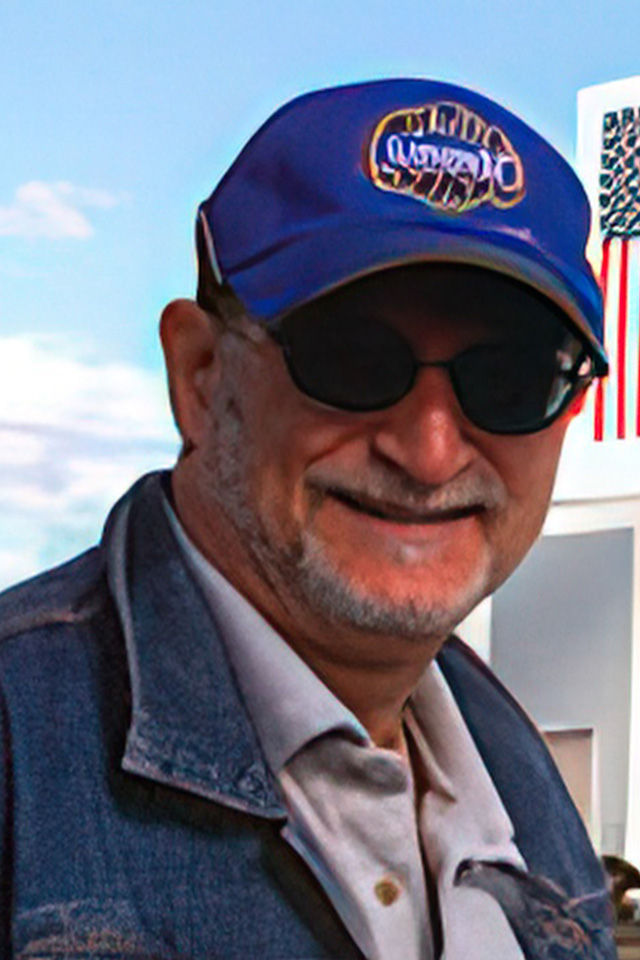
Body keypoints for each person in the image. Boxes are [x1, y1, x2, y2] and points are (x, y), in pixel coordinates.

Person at [0, 78, 616, 960]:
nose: (431, 451)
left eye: (512, 377)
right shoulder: (19, 748)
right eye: (353, 356)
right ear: (203, 376)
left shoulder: (526, 792)